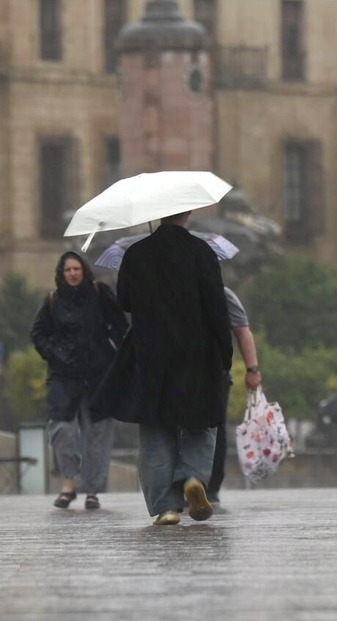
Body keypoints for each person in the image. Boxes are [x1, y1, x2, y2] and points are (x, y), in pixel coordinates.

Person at [93, 211, 232, 526]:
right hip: (198, 350)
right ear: (188, 214)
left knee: (156, 428)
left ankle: (166, 506)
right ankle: (193, 477)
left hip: (151, 351)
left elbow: (125, 301)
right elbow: (216, 306)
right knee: (202, 422)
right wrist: (225, 355)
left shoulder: (136, 253)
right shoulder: (201, 252)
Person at [30, 251, 126, 511]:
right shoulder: (52, 301)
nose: (73, 273)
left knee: (98, 434)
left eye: (77, 268)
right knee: (63, 430)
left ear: (84, 270)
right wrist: (55, 354)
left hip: (98, 375)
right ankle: (69, 484)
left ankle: (92, 490)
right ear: (61, 274)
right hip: (64, 376)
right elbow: (38, 334)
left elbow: (120, 324)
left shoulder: (99, 294)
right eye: (68, 270)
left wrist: (111, 352)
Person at [208, 285, 262, 509]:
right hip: (175, 372)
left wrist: (252, 369)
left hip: (216, 372)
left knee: (216, 427)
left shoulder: (223, 294)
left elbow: (242, 330)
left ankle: (210, 486)